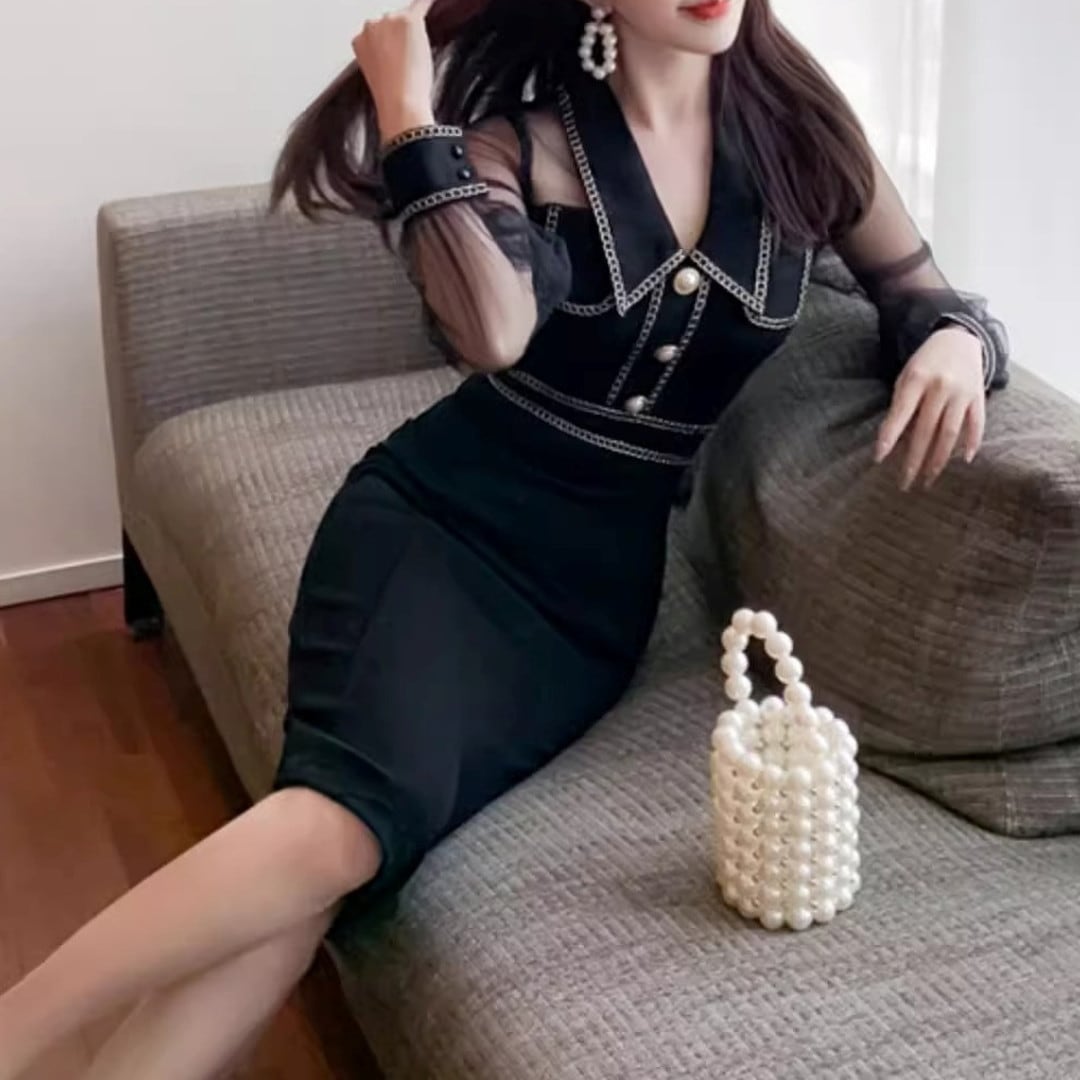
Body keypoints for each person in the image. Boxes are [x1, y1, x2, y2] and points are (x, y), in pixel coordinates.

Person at [0, 0, 1008, 1076]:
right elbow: (494, 331)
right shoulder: (518, 147)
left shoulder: (808, 140)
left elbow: (932, 295)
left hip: (585, 606)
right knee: (344, 828)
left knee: (329, 869)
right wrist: (407, 117)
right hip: (433, 527)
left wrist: (954, 342)